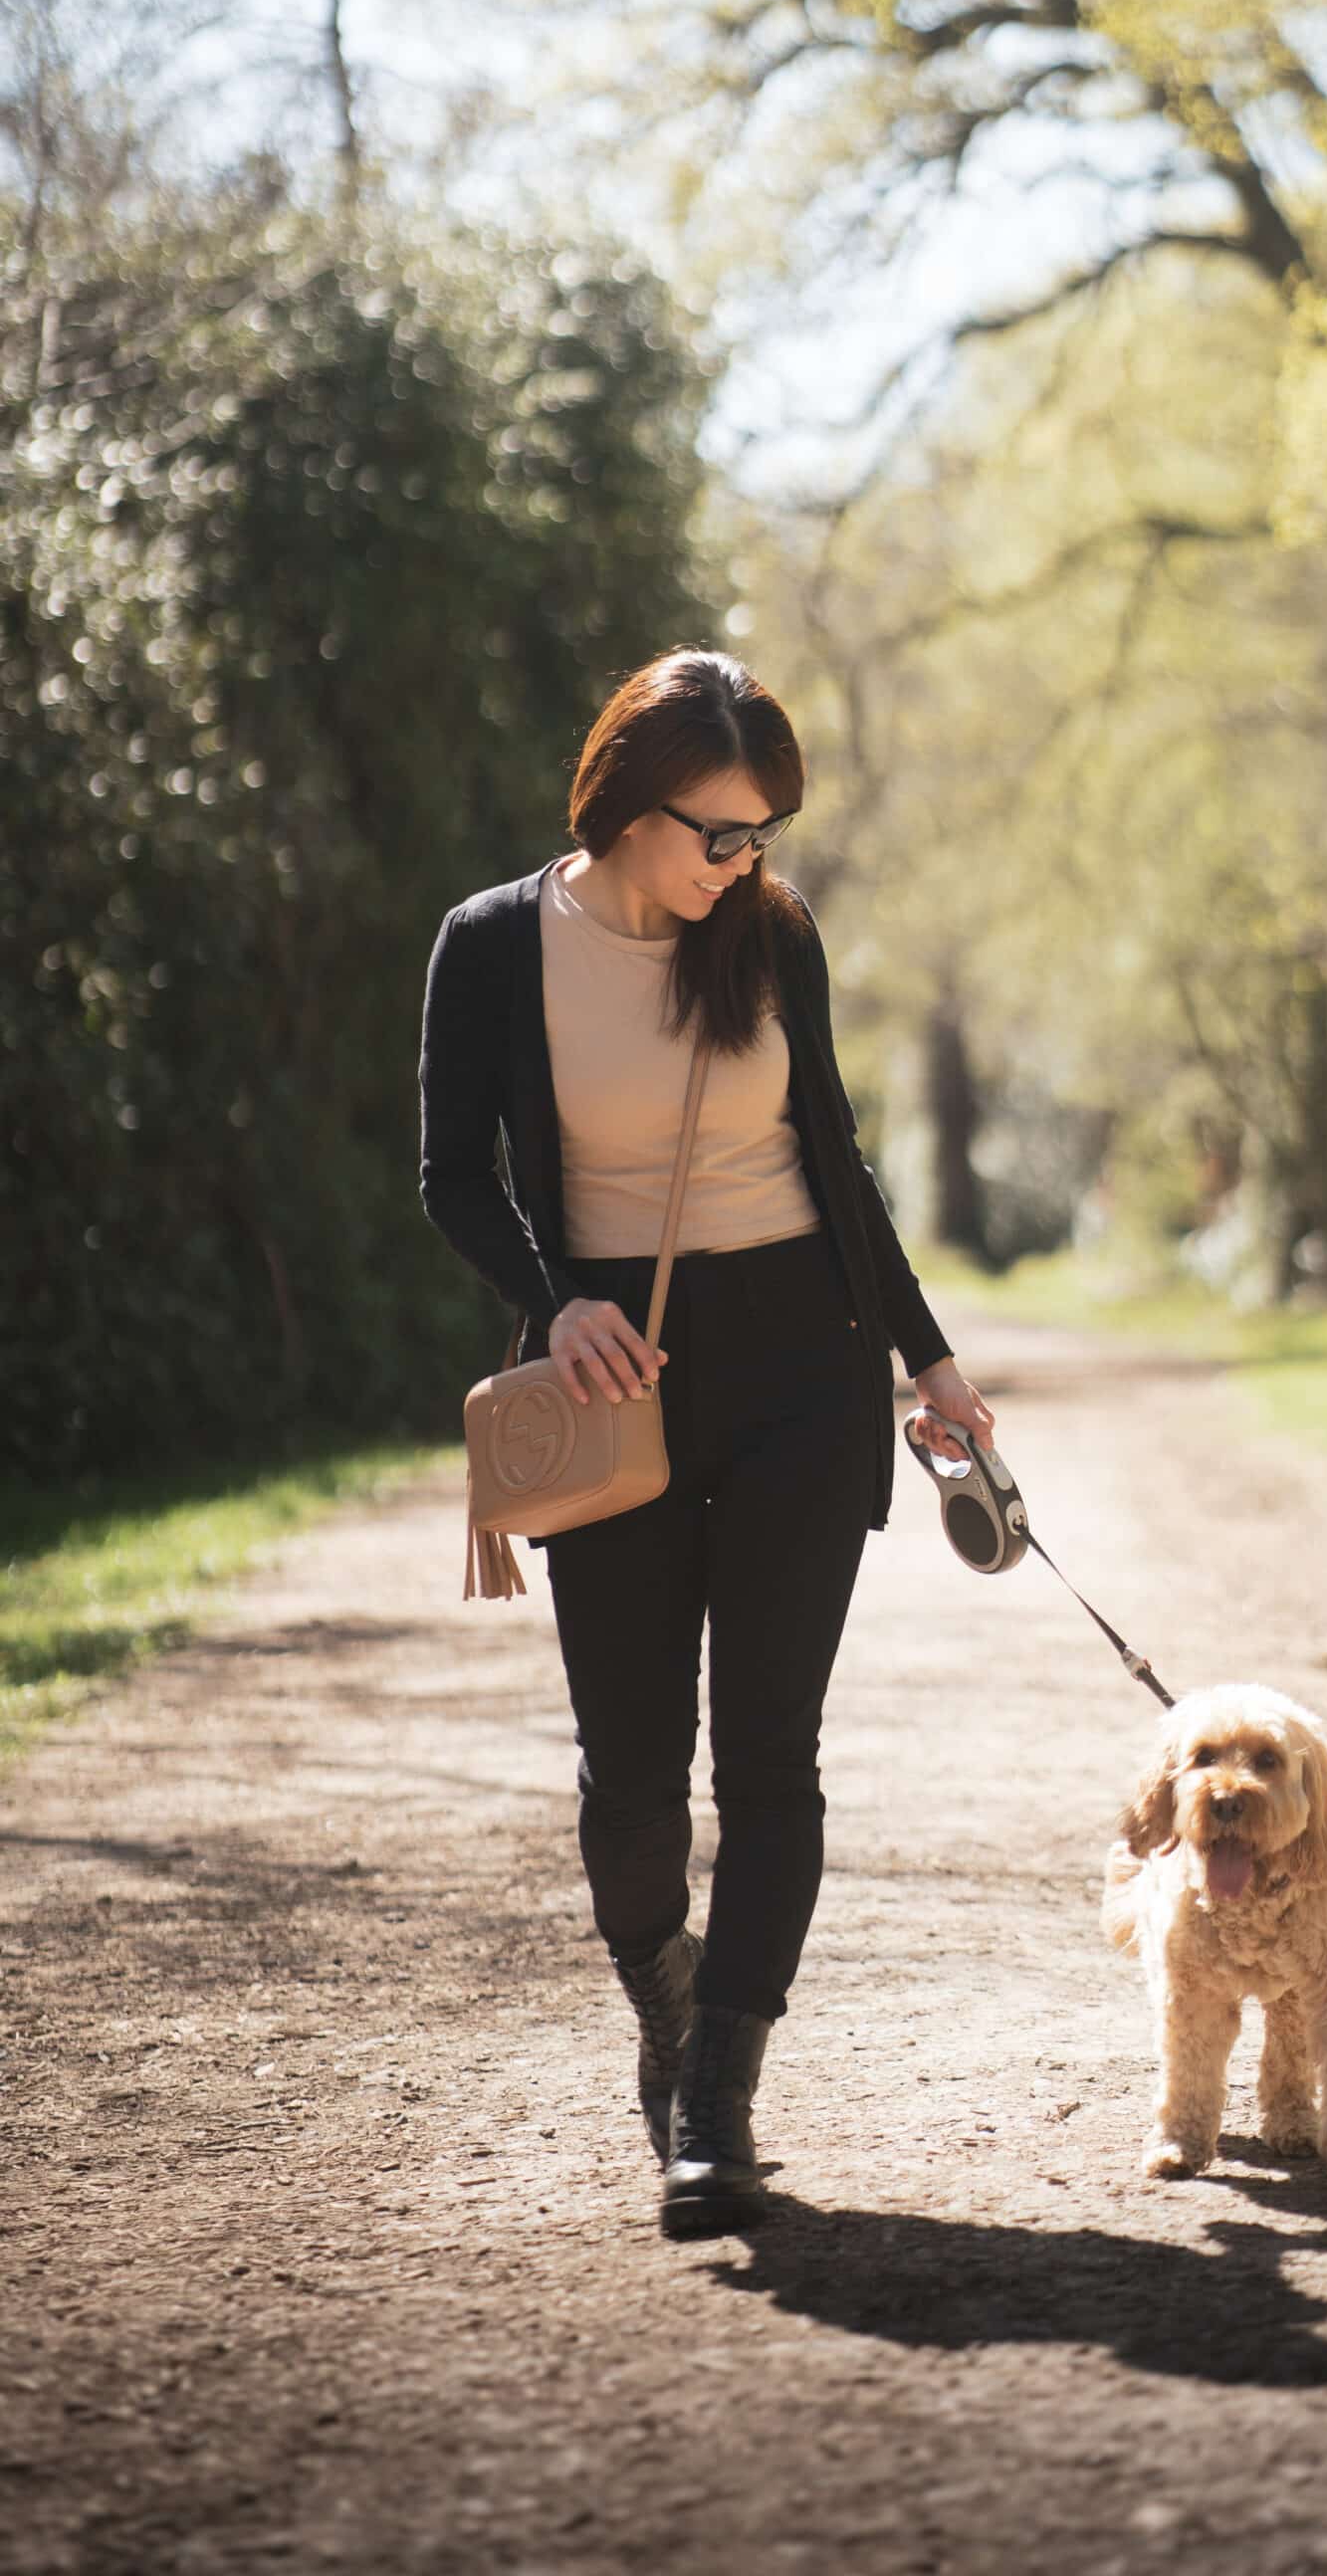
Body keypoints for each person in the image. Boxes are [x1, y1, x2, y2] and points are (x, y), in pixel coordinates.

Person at [417, 646, 995, 2239]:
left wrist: (929, 1363)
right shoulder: (489, 946)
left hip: (809, 1365)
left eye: (760, 836)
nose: (742, 864)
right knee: (629, 1780)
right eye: (716, 834)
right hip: (619, 1380)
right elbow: (453, 1176)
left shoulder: (769, 934)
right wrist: (553, 1305)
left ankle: (719, 2105)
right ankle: (664, 1998)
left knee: (772, 1758)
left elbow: (838, 1162)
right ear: (621, 803)